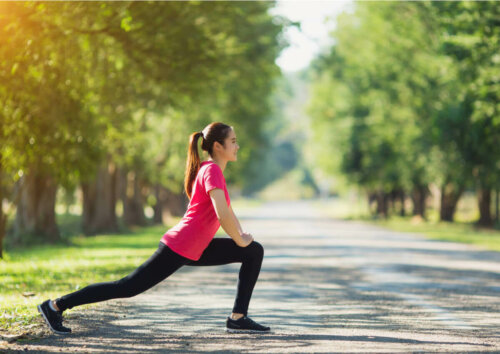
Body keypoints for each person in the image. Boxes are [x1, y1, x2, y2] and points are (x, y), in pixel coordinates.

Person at [38, 122, 270, 334]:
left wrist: (241, 237)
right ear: (218, 146)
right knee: (127, 287)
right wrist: (239, 240)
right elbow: (221, 213)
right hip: (181, 245)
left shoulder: (212, 171)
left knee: (253, 251)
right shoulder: (212, 171)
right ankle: (55, 305)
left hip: (196, 246)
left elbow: (227, 211)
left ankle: (238, 318)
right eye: (233, 141)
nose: (237, 146)